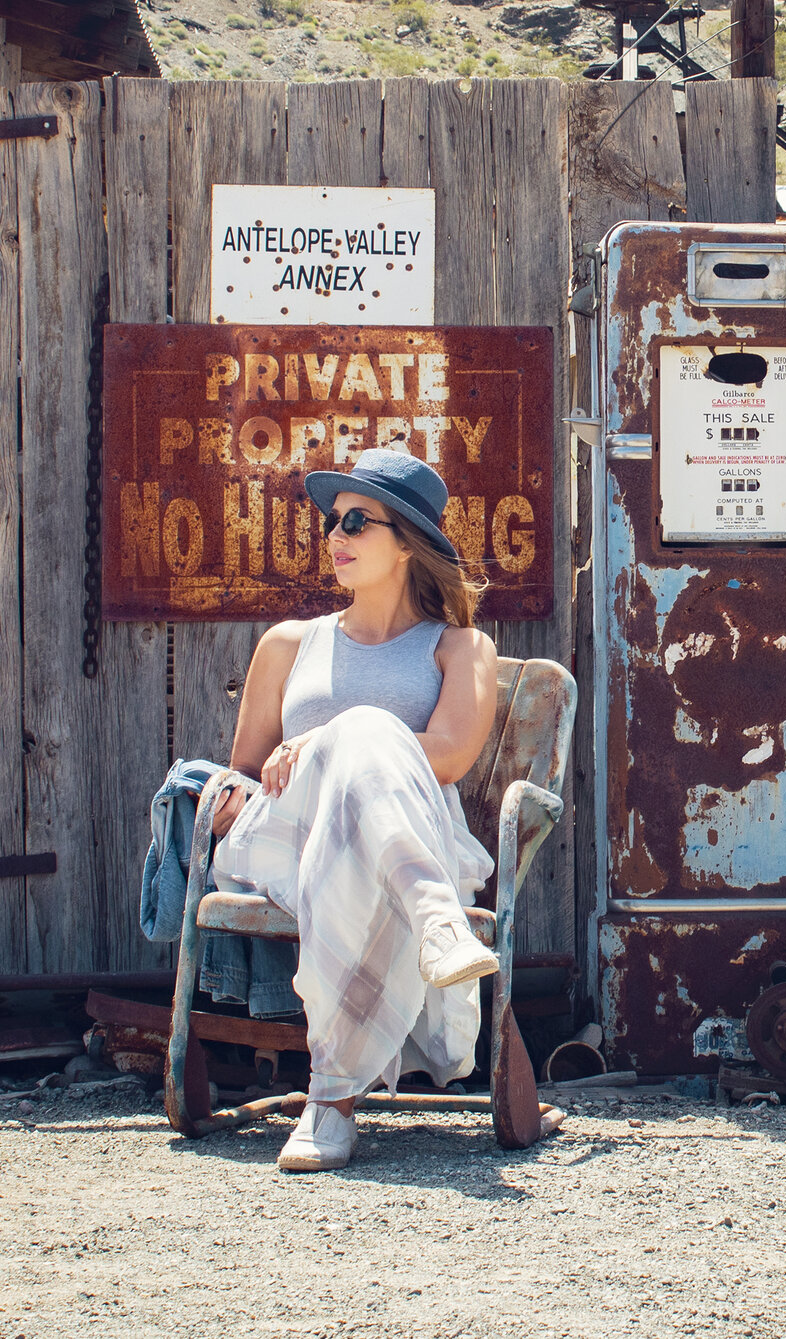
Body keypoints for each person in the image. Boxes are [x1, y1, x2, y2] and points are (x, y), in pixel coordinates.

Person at [206, 449, 501, 1173]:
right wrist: (312, 753)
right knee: (363, 733)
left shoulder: (459, 646)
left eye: (357, 520)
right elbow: (243, 774)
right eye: (331, 520)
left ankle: (329, 1102)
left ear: (408, 541)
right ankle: (437, 921)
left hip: (393, 838)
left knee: (366, 741)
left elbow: (451, 756)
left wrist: (328, 737)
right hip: (285, 837)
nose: (334, 534)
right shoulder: (287, 644)